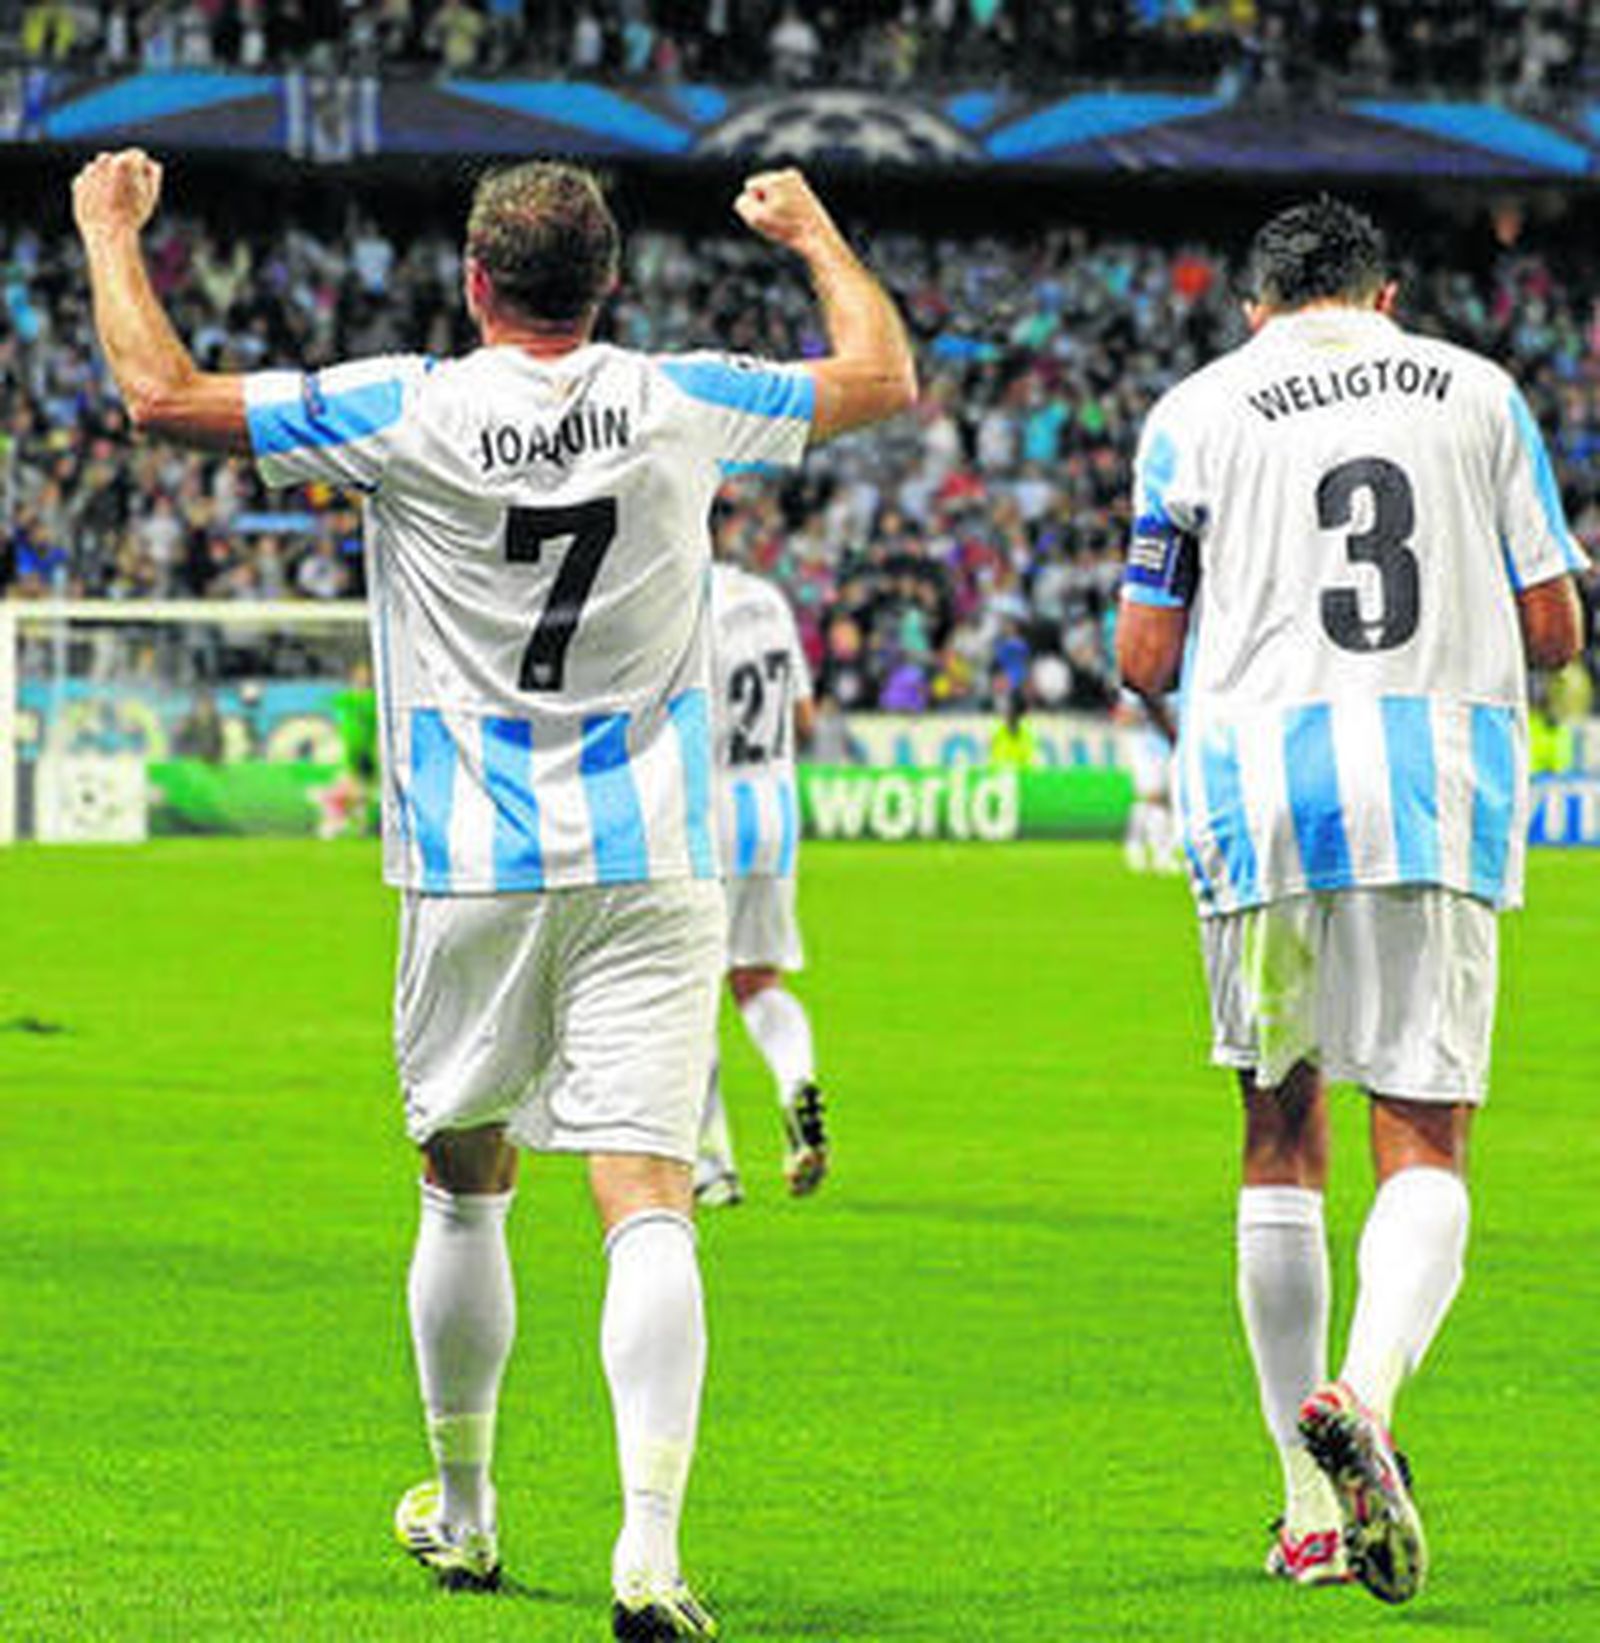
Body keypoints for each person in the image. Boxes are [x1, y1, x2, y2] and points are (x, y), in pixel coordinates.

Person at [73, 147, 915, 1640]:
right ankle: (649, 1549)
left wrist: (105, 228)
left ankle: (463, 1513)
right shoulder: (681, 395)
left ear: (475, 283)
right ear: (609, 286)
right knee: (645, 1190)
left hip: (469, 858)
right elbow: (881, 373)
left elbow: (159, 394)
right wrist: (811, 230)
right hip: (653, 851)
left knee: (464, 1185)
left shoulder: (408, 403)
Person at [1116, 196, 1585, 1605]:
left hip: (1258, 788)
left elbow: (1145, 650)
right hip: (1430, 779)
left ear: (1257, 306)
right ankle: (1365, 1398)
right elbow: (1558, 622)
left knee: (1278, 1129)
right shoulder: (1480, 390)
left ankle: (1305, 1506)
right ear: (1385, 299)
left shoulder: (1194, 407)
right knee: (1424, 1129)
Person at [695, 549, 824, 1207]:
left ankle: (712, 1160)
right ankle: (795, 1080)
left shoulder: (679, 602)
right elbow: (805, 718)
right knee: (758, 980)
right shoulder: (766, 597)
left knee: (684, 994)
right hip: (774, 811)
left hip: (705, 813)